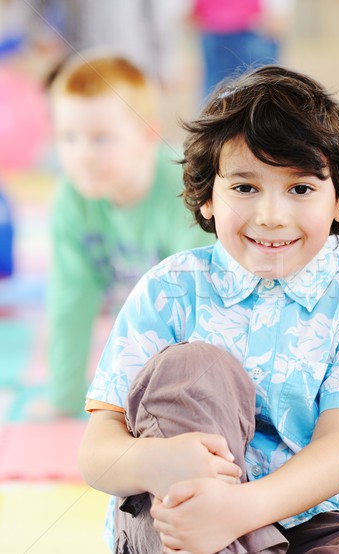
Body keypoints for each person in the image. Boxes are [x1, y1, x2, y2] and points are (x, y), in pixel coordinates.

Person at [78, 65, 339, 553]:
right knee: (193, 366)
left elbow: (337, 452)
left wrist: (237, 513)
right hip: (180, 520)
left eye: (300, 189)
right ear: (205, 195)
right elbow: (96, 453)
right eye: (244, 188)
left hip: (314, 526)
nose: (271, 216)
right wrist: (153, 461)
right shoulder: (169, 288)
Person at [45, 53, 213, 419]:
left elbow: (199, 303)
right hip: (137, 326)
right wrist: (64, 397)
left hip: (197, 331)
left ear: (147, 136)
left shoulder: (182, 192)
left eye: (100, 138)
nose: (81, 155)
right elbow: (70, 300)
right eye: (67, 138)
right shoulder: (71, 199)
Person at [192, 0, 295, 98]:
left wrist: (278, 12)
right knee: (216, 93)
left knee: (261, 88)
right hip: (214, 27)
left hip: (252, 26)